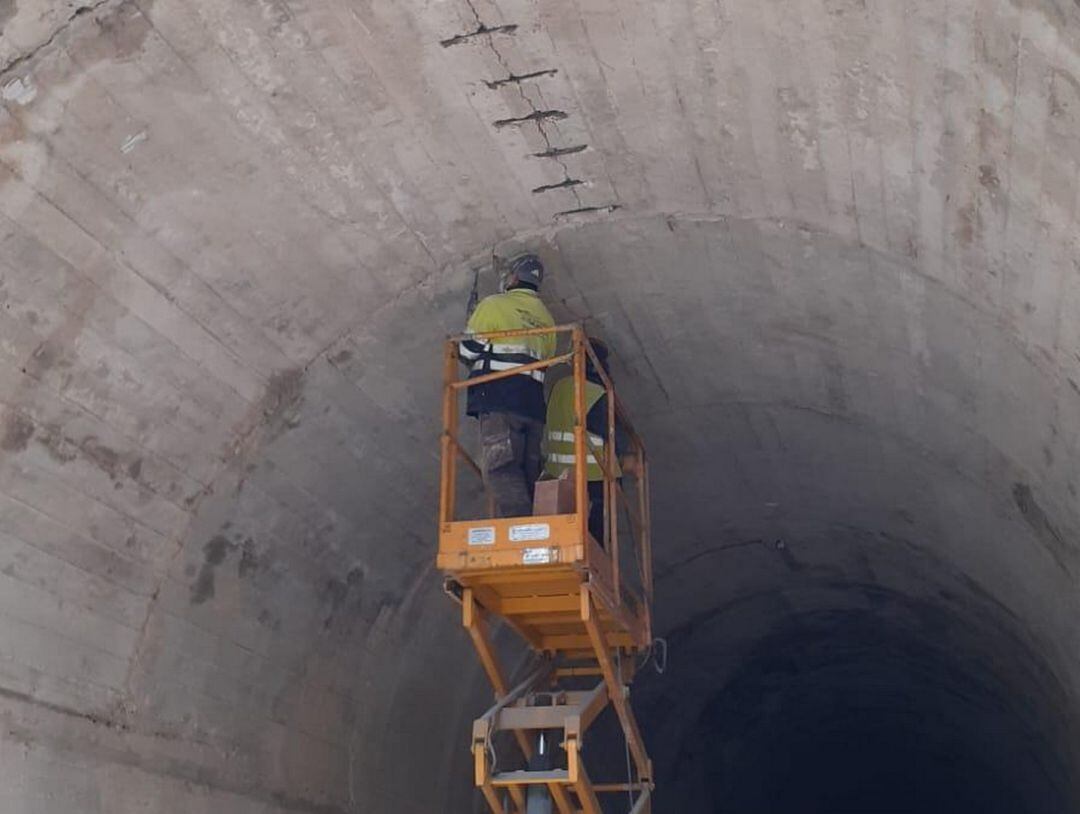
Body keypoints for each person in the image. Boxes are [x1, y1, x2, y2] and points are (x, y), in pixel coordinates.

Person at [459, 254, 556, 518]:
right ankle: (539, 524)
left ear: (512, 278)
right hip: (533, 407)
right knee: (527, 472)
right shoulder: (548, 321)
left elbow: (467, 351)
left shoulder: (493, 305)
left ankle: (523, 528)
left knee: (500, 467)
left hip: (499, 399)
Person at [542, 338, 638, 545]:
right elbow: (608, 426)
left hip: (559, 473)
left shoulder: (560, 389)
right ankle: (596, 553)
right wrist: (627, 455)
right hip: (594, 474)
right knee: (598, 528)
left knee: (567, 526)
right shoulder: (591, 391)